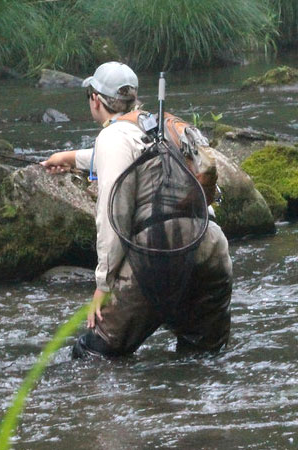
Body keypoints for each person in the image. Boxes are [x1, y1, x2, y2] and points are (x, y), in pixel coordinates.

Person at [41, 62, 233, 358]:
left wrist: (103, 285)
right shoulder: (162, 124)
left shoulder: (112, 137)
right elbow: (137, 158)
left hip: (160, 250)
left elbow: (112, 215)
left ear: (95, 99)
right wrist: (70, 157)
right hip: (211, 244)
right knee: (202, 356)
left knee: (93, 356)